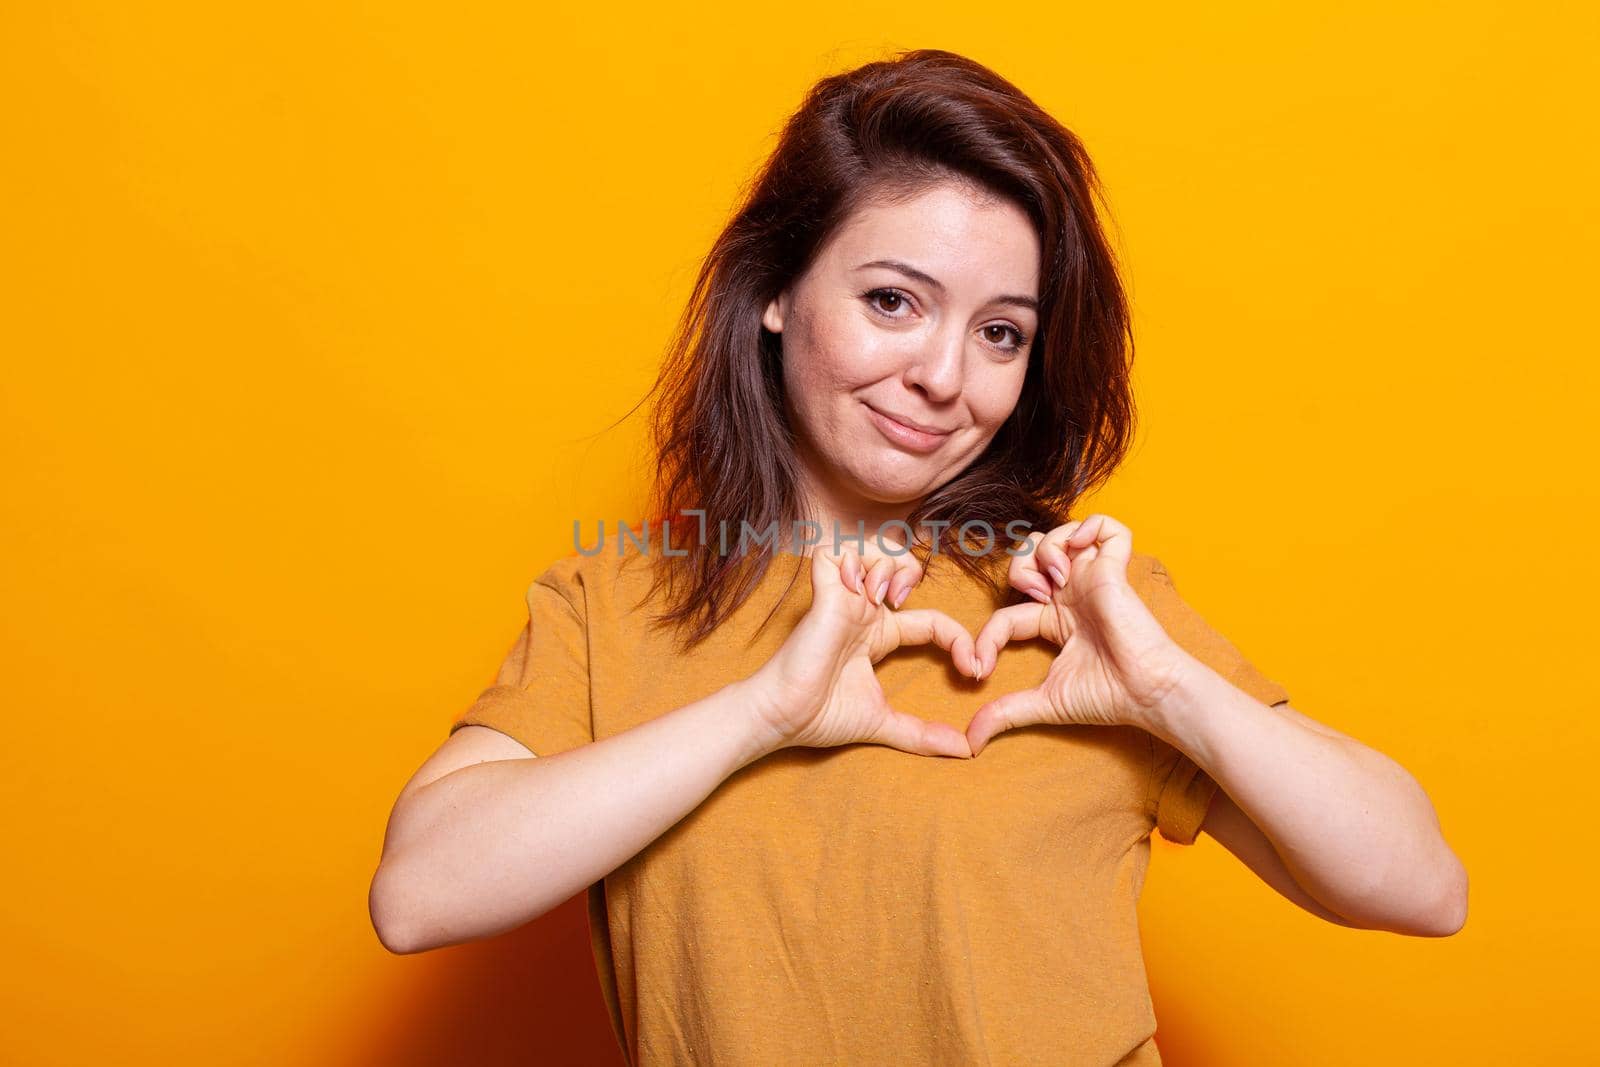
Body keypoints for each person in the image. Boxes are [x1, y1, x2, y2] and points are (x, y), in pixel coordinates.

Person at [369, 48, 1468, 1066]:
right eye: (893, 300)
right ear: (776, 291)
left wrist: (1170, 690)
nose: (946, 376)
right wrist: (762, 711)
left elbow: (1418, 884)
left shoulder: (1072, 601)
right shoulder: (613, 605)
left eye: (1001, 332)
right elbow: (419, 891)